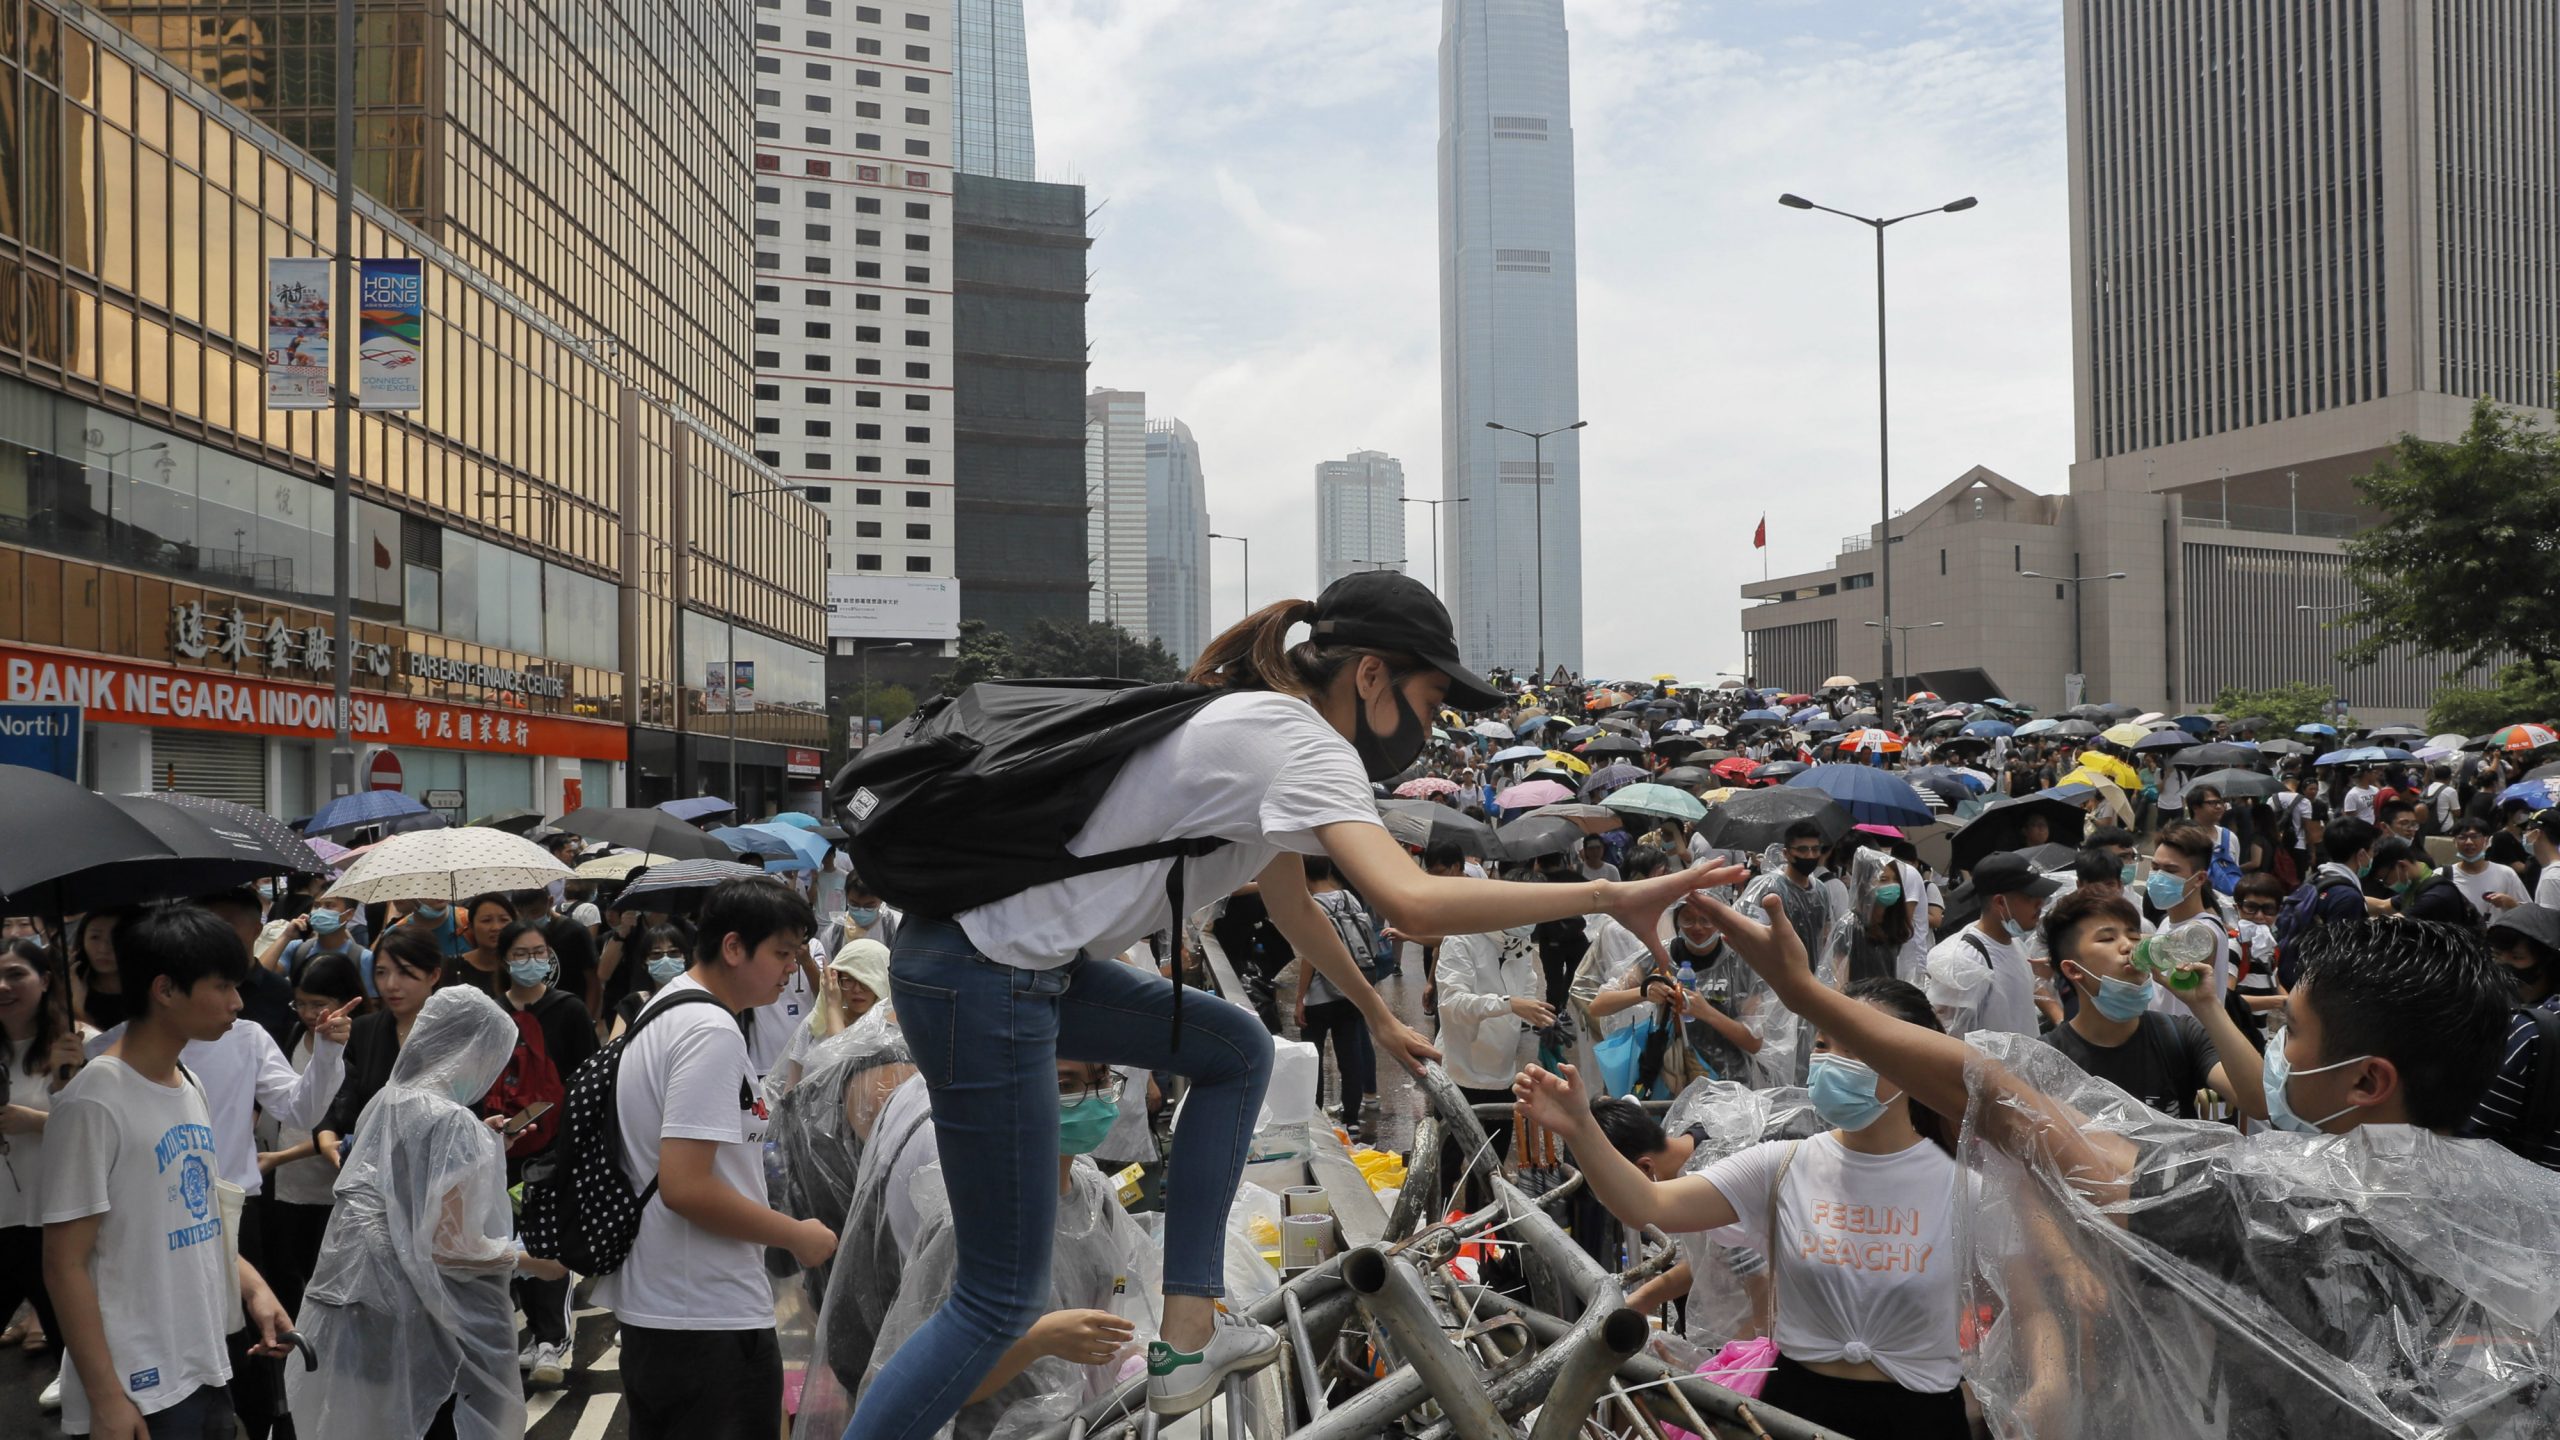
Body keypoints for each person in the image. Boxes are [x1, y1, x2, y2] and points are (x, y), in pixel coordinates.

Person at [847, 573, 1721, 1438]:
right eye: (1428, 695)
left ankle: (1188, 1333)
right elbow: (1409, 903)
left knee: (1232, 1049)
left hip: (1000, 967)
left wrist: (1376, 1017)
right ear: (1370, 676)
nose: (1431, 723)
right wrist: (1604, 897)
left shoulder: (1260, 723)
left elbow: (1293, 903)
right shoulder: (1300, 742)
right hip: (983, 977)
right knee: (997, 1299)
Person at [1694, 871, 2560, 1438]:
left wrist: (1806, 994)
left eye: (2290, 1033)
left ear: (2367, 1079)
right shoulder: (2522, 1217)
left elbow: (2002, 1101)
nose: (2277, 1052)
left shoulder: (2264, 1208)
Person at [1515, 977, 1975, 1440]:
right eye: (1822, 1043)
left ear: (1913, 1061)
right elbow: (1647, 1204)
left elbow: (2031, 1306)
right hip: (1795, 1413)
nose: (1831, 1061)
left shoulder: (1965, 1185)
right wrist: (1579, 1126)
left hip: (1923, 1417)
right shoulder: (1784, 1165)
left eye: (1854, 1046)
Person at [41, 905, 297, 1440]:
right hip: (139, 1383)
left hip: (203, 1359)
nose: (237, 1002)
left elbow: (199, 1213)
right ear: (164, 989)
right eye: (223, 985)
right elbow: (64, 1265)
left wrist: (253, 1288)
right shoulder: (93, 1103)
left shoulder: (187, 1083)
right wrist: (108, 1399)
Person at [594, 878, 837, 1440]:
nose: (790, 970)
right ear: (733, 947)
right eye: (781, 953)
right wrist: (797, 1236)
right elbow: (687, 1187)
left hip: (675, 1309)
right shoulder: (707, 1030)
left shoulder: (670, 1009)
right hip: (702, 1314)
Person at [287, 986, 561, 1438]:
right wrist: (534, 1262)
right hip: (412, 1316)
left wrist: (484, 1140)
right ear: (471, 1050)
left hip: (353, 1301)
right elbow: (451, 1250)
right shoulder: (453, 1122)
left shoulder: (389, 1097)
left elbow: (402, 1181)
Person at [245, 953, 366, 1440]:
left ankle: (336, 1376)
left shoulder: (349, 1046)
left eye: (320, 1003)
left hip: (325, 1188)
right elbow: (287, 1102)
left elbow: (330, 1126)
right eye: (301, 1003)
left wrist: (280, 1157)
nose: (311, 1014)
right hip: (280, 1187)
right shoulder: (292, 1034)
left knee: (326, 1283)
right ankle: (299, 1375)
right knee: (287, 1280)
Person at [2036, 888, 2248, 1120]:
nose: (2129, 946)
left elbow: (2259, 1103)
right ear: (2074, 970)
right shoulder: (2048, 1058)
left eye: (2135, 936)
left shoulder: (2180, 1034)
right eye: (2108, 938)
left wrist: (2208, 1006)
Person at [492, 920, 594, 1388]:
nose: (532, 962)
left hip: (553, 1148)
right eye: (521, 953)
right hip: (501, 1147)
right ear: (503, 960)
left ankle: (554, 1338)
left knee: (547, 1239)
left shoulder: (568, 1010)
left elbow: (588, 1080)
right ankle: (535, 1333)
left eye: (540, 952)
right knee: (512, 1241)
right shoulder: (489, 1015)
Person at [1, 938, 82, 1368]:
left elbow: (101, 1134)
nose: (2, 986)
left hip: (55, 1222)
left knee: (75, 1351)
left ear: (46, 980)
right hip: (2, 1219)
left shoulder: (78, 1044)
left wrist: (37, 1121)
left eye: (16, 974)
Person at [317, 928, 450, 1170]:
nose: (390, 985)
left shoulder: (453, 1033)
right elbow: (333, 1092)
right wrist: (326, 1139)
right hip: (372, 1170)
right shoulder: (362, 1030)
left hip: (439, 1170)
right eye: (381, 973)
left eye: (405, 973)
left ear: (433, 975)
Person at [2462, 904, 2560, 1169]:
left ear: (2548, 962)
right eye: (2496, 954)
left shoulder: (2528, 1033)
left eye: (2517, 958)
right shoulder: (2492, 1006)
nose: (2503, 965)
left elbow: (2477, 1131)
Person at [1919, 853, 2058, 1038]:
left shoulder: (2015, 942)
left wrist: (2059, 1018)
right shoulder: (1964, 961)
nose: (2040, 904)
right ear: (2000, 902)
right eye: (2030, 897)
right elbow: (1947, 1038)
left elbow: (2028, 988)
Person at [1295, 856, 1380, 1139]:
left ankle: (1315, 1118)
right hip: (1351, 991)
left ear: (1304, 876)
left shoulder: (1311, 906)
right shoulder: (1348, 899)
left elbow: (1309, 957)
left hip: (1320, 997)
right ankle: (1352, 1121)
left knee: (1313, 1058)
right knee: (1350, 1056)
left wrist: (1299, 999)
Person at [2139, 824, 2234, 1011]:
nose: (2158, 877)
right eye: (2155, 867)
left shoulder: (2204, 932)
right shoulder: (2167, 922)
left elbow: (2155, 949)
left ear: (2199, 879)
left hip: (2188, 1038)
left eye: (2170, 870)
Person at [257, 895, 373, 997]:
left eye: (329, 906)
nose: (320, 911)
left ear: (349, 914)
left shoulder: (363, 958)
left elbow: (372, 1004)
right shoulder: (297, 949)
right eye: (316, 906)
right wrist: (285, 936)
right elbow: (259, 975)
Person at [608, 922, 696, 1040]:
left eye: (673, 952)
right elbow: (613, 1047)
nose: (665, 959)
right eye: (656, 954)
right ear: (645, 962)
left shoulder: (697, 1000)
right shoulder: (633, 1004)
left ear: (684, 957)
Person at [2445, 815, 2528, 921]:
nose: (2469, 842)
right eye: (2462, 837)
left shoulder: (2506, 873)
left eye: (2475, 837)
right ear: (2454, 842)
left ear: (2486, 840)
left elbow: (2529, 912)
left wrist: (2511, 903)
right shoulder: (2442, 875)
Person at [66, 910, 130, 1032]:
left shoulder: (150, 990)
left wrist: (81, 1014)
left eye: (116, 937)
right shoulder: (70, 987)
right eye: (95, 937)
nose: (103, 948)